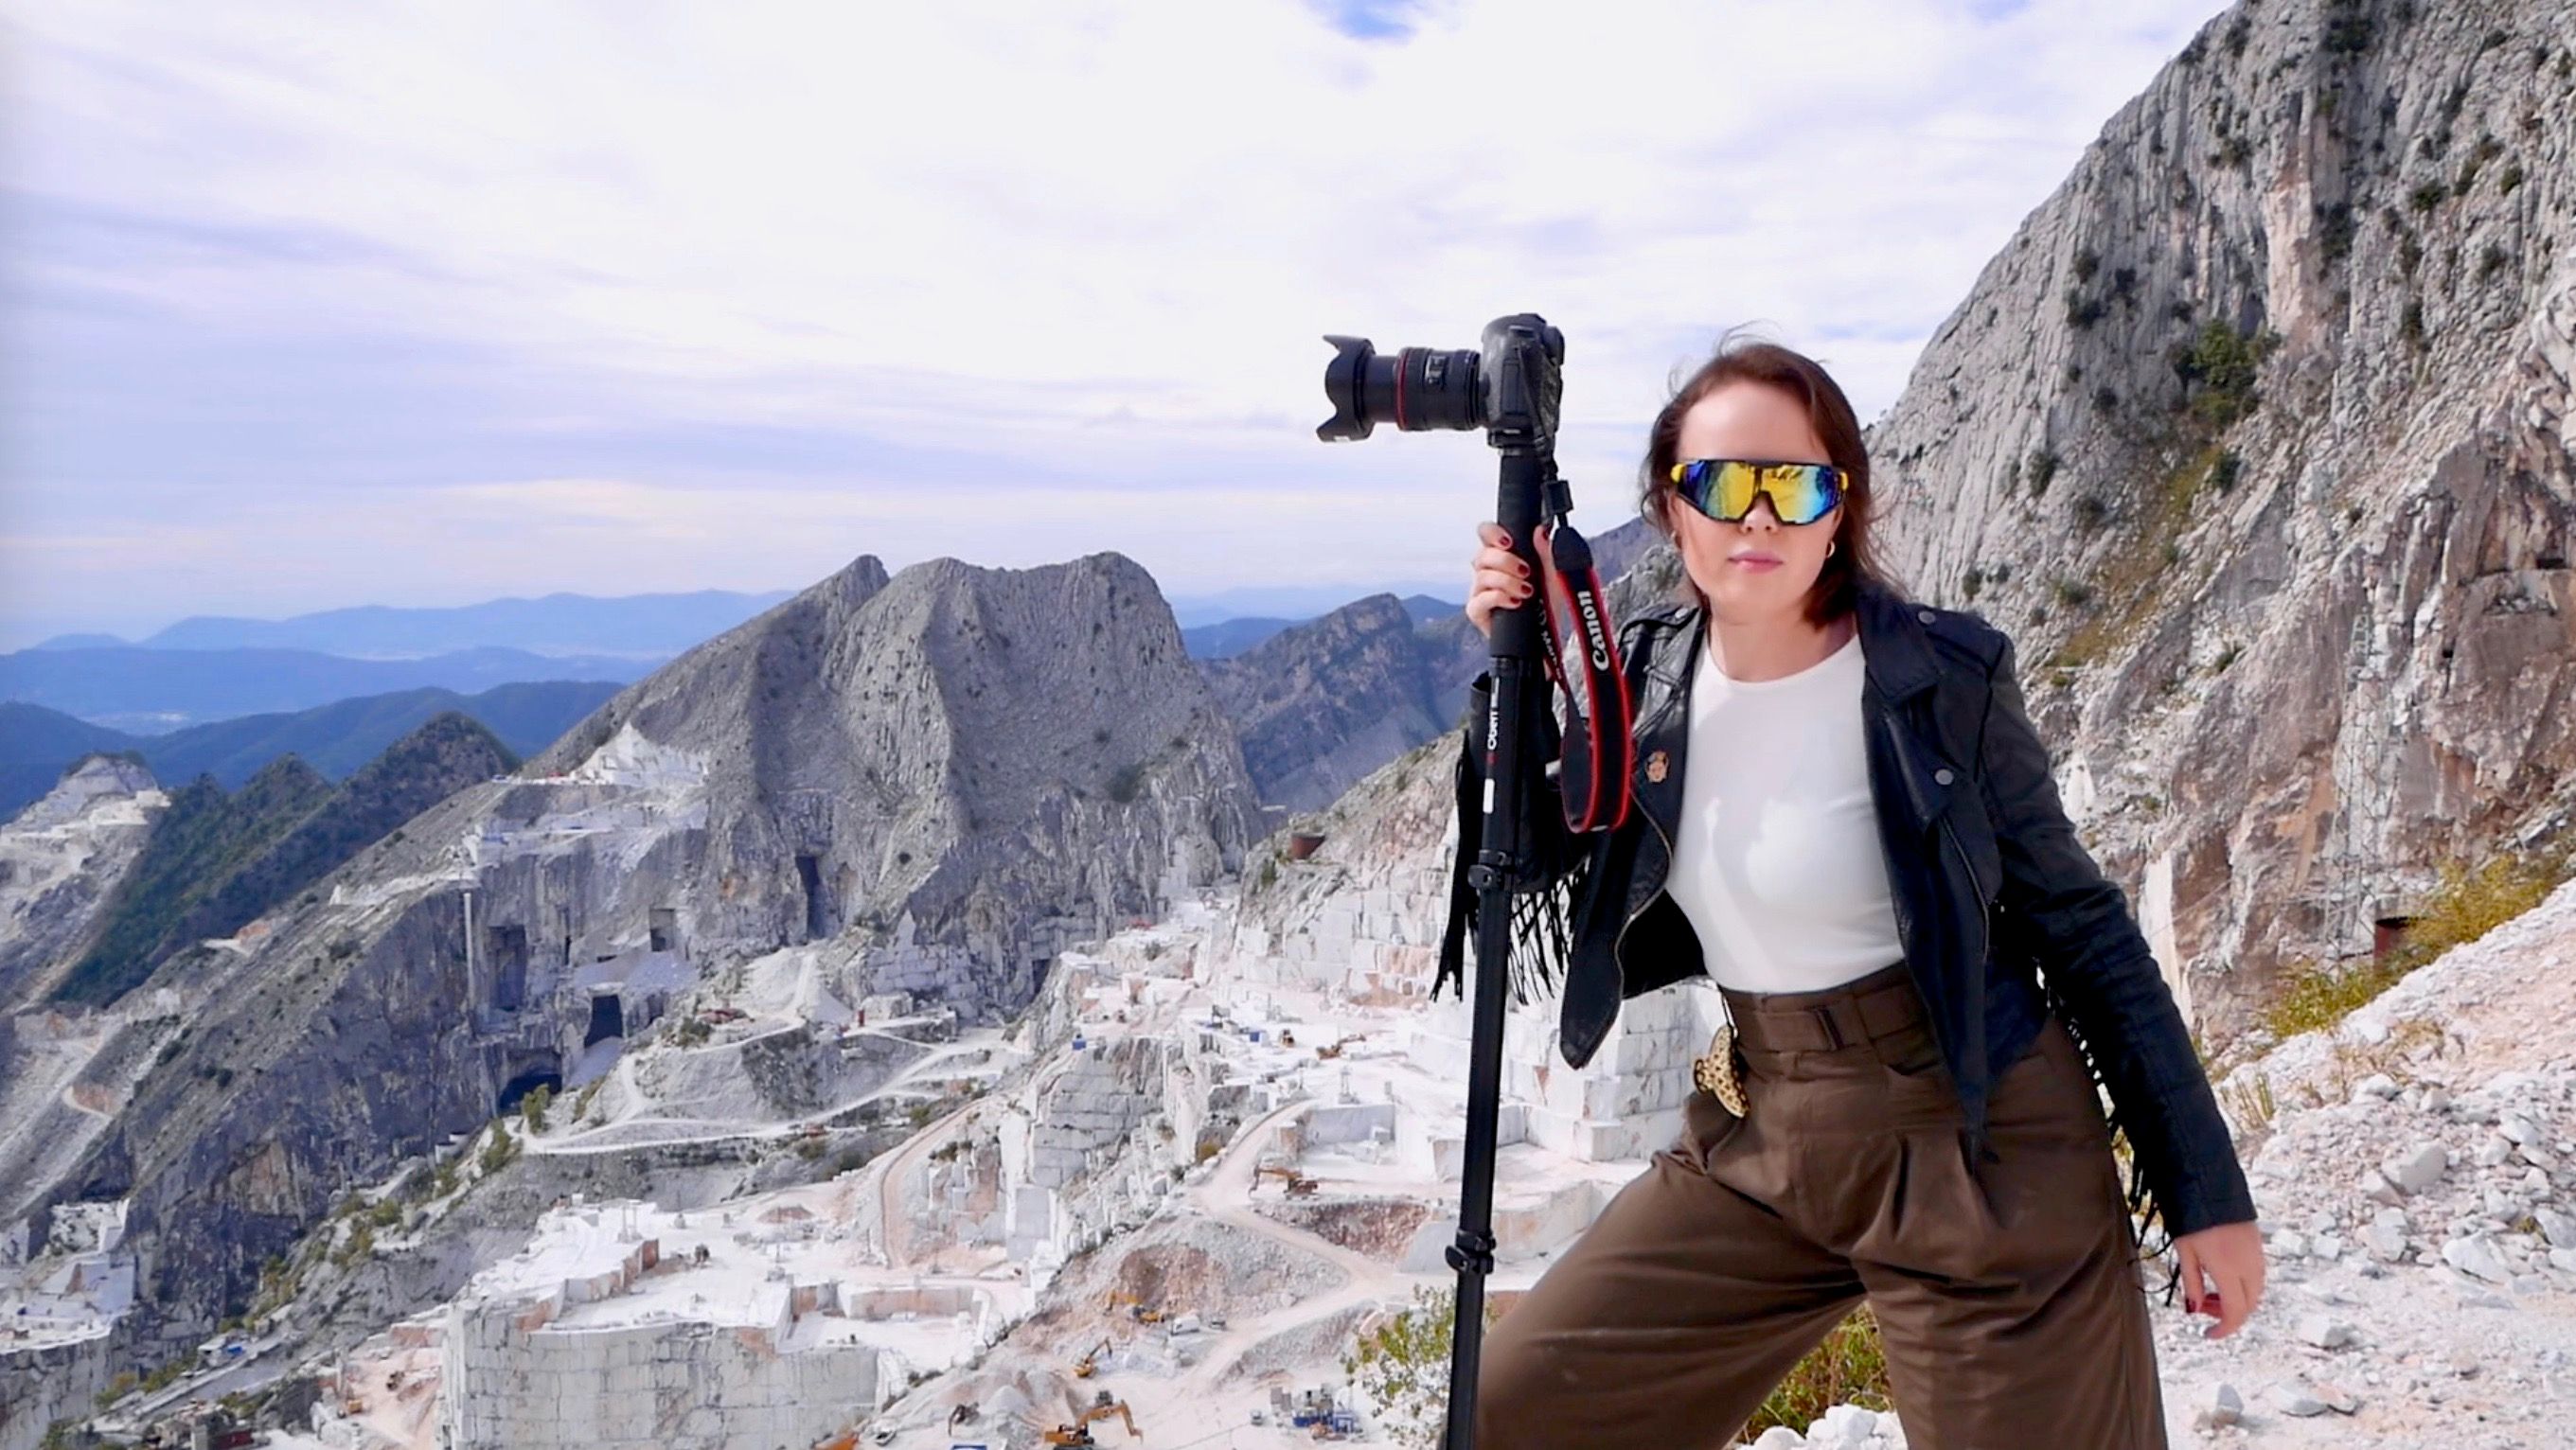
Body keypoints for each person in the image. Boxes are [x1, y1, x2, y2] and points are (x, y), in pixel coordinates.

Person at [1454, 333, 2262, 1448]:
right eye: (1725, 483)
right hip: (1761, 1133)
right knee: (1510, 1414)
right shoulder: (1644, 676)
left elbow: (2086, 930)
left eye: (1798, 483)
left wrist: (2205, 1197)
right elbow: (1536, 854)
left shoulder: (1945, 678)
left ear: (1842, 506)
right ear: (1669, 505)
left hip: (1977, 1148)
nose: (1760, 518)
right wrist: (1512, 669)